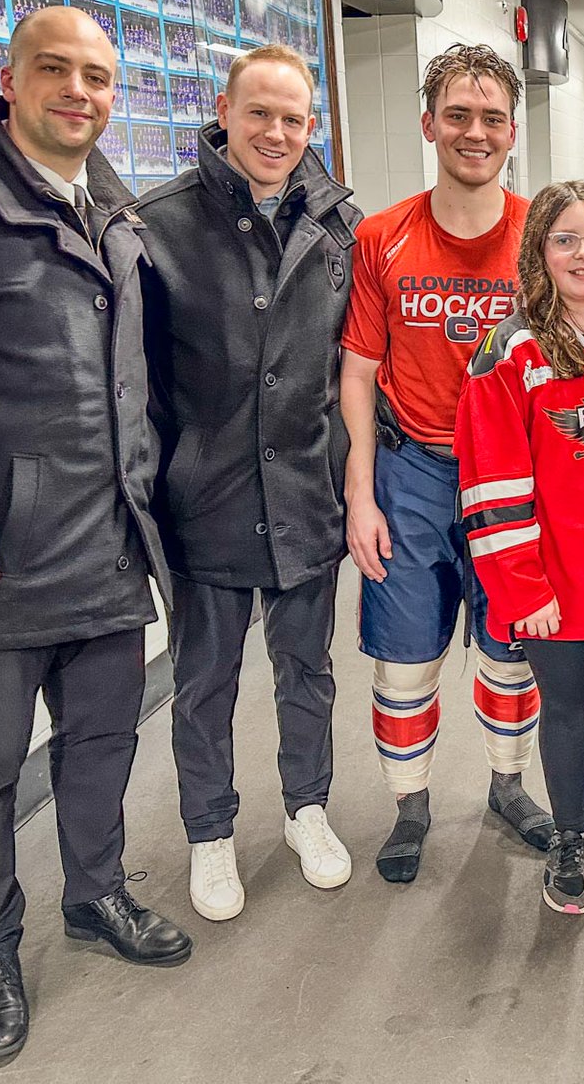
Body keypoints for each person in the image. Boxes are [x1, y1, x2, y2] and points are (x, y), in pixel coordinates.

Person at [0, 7, 190, 1062]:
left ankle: (96, 896)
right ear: (7, 80)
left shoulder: (109, 205)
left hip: (105, 551)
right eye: (55, 70)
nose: (81, 92)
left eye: (98, 77)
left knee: (102, 746)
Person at [138, 45, 362, 921]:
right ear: (223, 111)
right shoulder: (156, 228)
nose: (276, 132)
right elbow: (140, 384)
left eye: (294, 119)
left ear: (313, 127)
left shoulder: (340, 228)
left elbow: (358, 365)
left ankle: (308, 810)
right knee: (205, 683)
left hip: (307, 495)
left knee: (307, 670)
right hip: (208, 502)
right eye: (259, 113)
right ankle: (210, 834)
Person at [340, 44, 553, 884]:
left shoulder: (543, 234)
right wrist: (362, 494)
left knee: (512, 646)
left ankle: (508, 786)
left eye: (492, 118)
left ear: (511, 131)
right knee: (406, 656)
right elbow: (357, 370)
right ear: (429, 124)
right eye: (458, 116)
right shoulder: (381, 236)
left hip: (518, 478)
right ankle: (410, 803)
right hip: (413, 471)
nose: (475, 132)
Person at [455, 181, 584, 914]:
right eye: (566, 239)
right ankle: (572, 833)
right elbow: (489, 482)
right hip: (556, 581)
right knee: (570, 711)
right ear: (539, 251)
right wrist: (522, 588)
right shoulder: (509, 350)